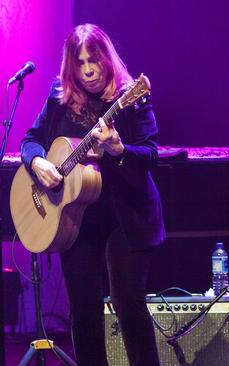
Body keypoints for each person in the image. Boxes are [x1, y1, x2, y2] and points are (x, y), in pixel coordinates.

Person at [20, 24, 164, 366]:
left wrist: (117, 148)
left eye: (94, 60)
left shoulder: (130, 97)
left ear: (107, 59)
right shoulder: (60, 96)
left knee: (128, 303)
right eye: (80, 62)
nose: (88, 69)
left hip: (124, 216)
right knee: (84, 313)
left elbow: (150, 154)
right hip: (75, 218)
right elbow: (30, 139)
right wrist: (37, 160)